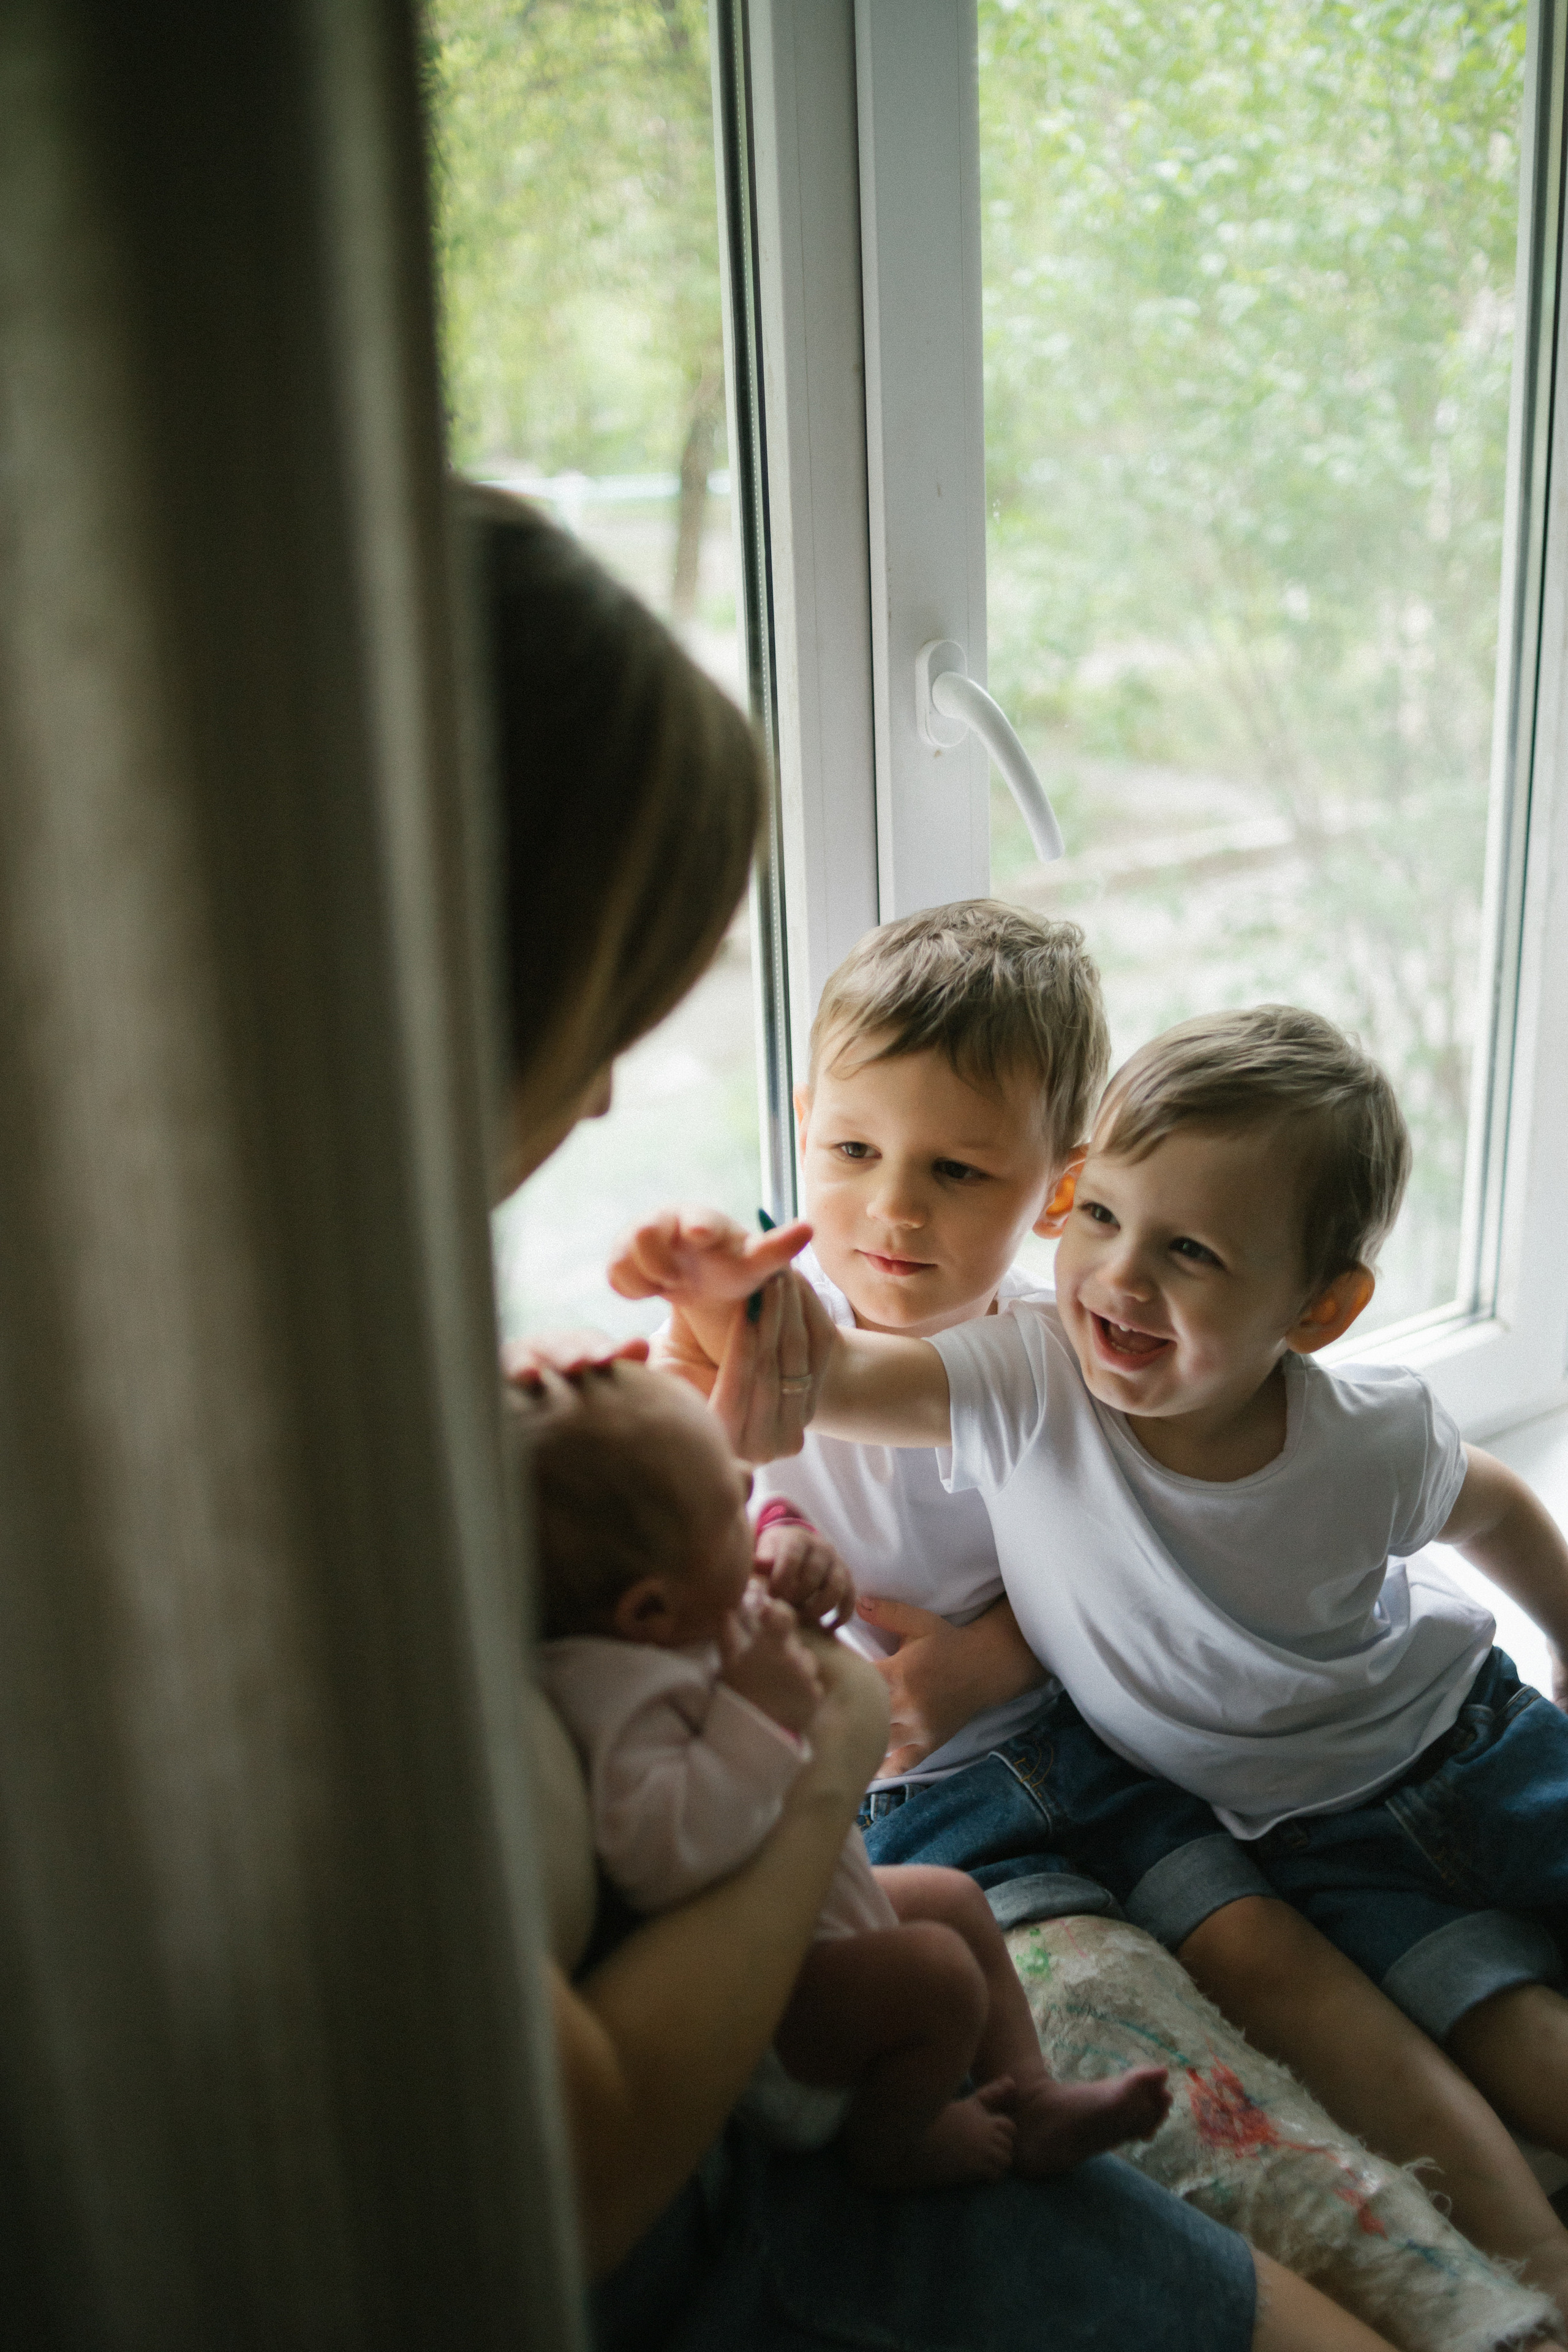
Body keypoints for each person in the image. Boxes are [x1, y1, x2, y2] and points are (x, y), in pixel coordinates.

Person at [471, 481, 1409, 2347]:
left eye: (963, 1173)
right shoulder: (802, 1349)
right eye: (848, 1156)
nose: (895, 1213)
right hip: (868, 1813)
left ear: (1055, 1188)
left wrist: (970, 1655)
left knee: (1256, 1947)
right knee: (1091, 1975)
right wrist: (712, 1333)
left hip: (1022, 1736)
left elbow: (1137, 1524)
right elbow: (748, 1426)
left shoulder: (1088, 1336)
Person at [616, 993, 1568, 2317]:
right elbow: (822, 1383)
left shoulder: (1342, 1428)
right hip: (1273, 1831)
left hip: (1461, 1733)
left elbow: (1496, 1507)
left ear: (1318, 1310)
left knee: (1389, 1994)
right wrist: (724, 1300)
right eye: (1107, 1223)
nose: (1121, 1279)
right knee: (1497, 2039)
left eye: (1190, 1251)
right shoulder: (1027, 1373)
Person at [528, 1359, 1170, 2187]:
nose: (751, 1509)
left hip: (820, 1902)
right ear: (650, 1608)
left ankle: (1034, 2095)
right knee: (937, 1980)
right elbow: (659, 1849)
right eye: (732, 1512)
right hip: (769, 1998)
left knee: (954, 1900)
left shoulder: (675, 1617)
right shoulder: (608, 1696)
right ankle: (895, 2144)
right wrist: (754, 1715)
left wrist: (787, 1542)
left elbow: (758, 1542)